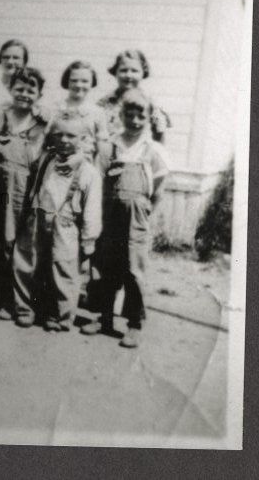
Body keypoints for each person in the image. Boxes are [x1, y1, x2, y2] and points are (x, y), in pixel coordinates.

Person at [81, 89, 170, 348]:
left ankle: (134, 324)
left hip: (136, 218)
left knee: (133, 270)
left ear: (148, 118)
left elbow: (159, 189)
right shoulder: (109, 145)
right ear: (121, 115)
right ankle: (104, 318)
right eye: (129, 115)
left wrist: (144, 212)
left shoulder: (153, 150)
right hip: (109, 215)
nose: (134, 120)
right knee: (104, 266)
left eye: (140, 116)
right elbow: (97, 180)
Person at [0, 67, 49, 326]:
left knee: (15, 243)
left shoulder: (43, 123)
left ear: (39, 95)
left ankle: (11, 299)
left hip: (23, 188)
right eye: (19, 88)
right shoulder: (2, 115)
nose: (24, 94)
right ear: (10, 89)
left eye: (31, 90)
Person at [23, 116, 103, 331]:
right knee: (38, 264)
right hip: (41, 218)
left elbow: (92, 209)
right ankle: (35, 308)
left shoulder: (88, 172)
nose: (64, 140)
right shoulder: (47, 160)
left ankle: (61, 316)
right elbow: (38, 187)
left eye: (71, 135)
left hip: (67, 224)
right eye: (59, 134)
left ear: (83, 138)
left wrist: (89, 239)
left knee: (64, 268)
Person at [97, 49, 172, 143]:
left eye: (134, 71)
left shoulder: (151, 104)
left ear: (143, 72)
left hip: (140, 150)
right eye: (123, 70)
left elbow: (159, 135)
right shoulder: (104, 103)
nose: (129, 75)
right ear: (115, 72)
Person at [53, 61, 110, 160]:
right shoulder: (56, 108)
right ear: (67, 81)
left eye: (84, 81)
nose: (79, 85)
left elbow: (102, 147)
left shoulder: (97, 112)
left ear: (92, 82)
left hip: (86, 162)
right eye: (74, 80)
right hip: (57, 161)